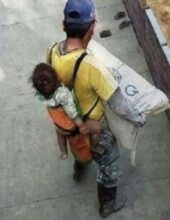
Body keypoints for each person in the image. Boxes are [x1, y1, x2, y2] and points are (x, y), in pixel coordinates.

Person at [47, 0, 145, 217]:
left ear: (64, 24)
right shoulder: (92, 66)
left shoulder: (53, 51)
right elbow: (118, 102)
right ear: (91, 28)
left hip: (68, 123)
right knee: (109, 164)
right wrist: (138, 117)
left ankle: (79, 169)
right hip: (94, 126)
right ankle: (106, 205)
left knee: (78, 146)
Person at [30, 63, 101, 162]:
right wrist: (81, 125)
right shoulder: (62, 94)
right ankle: (94, 146)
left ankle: (63, 152)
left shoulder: (41, 96)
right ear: (56, 79)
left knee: (60, 135)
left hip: (60, 126)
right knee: (97, 128)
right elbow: (71, 112)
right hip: (73, 125)